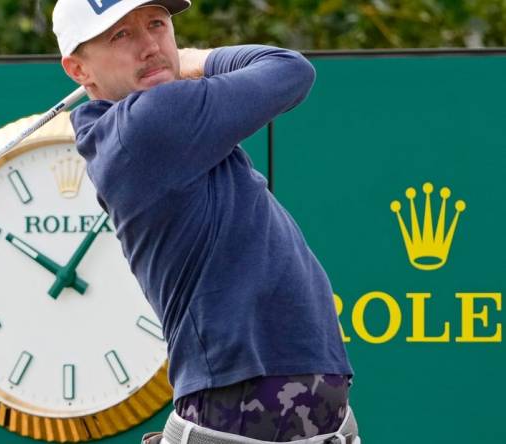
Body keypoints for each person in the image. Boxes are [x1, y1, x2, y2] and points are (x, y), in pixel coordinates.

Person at [52, 1, 357, 442]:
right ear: (79, 69)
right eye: (121, 35)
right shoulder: (149, 125)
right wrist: (195, 59)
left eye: (157, 24)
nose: (151, 45)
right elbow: (289, 70)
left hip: (281, 403)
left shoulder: (141, 126)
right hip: (239, 399)